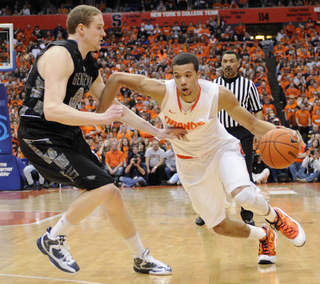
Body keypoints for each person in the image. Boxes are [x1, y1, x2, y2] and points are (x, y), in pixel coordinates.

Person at [18, 5, 186, 275]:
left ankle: (140, 257)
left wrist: (157, 132)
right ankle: (53, 238)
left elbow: (116, 108)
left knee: (113, 194)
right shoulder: (61, 54)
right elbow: (51, 109)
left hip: (66, 134)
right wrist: (101, 119)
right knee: (104, 187)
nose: (104, 32)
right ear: (81, 28)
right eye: (99, 26)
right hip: (40, 135)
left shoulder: (88, 64)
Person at [100, 52, 306, 265]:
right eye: (177, 75)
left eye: (188, 75)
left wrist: (287, 134)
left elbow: (253, 124)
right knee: (219, 226)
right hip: (189, 162)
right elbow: (116, 78)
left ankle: (276, 218)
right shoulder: (163, 91)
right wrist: (99, 116)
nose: (182, 81)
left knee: (243, 196)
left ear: (199, 75)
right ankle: (265, 236)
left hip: (220, 149)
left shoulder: (217, 94)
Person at [196, 50, 263, 227]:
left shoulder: (248, 85)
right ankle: (208, 212)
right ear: (221, 64)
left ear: (238, 63)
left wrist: (258, 133)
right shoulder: (214, 85)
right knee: (212, 173)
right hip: (219, 132)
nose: (227, 64)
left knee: (245, 172)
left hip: (243, 133)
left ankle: (247, 213)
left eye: (231, 61)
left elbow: (257, 109)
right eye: (224, 61)